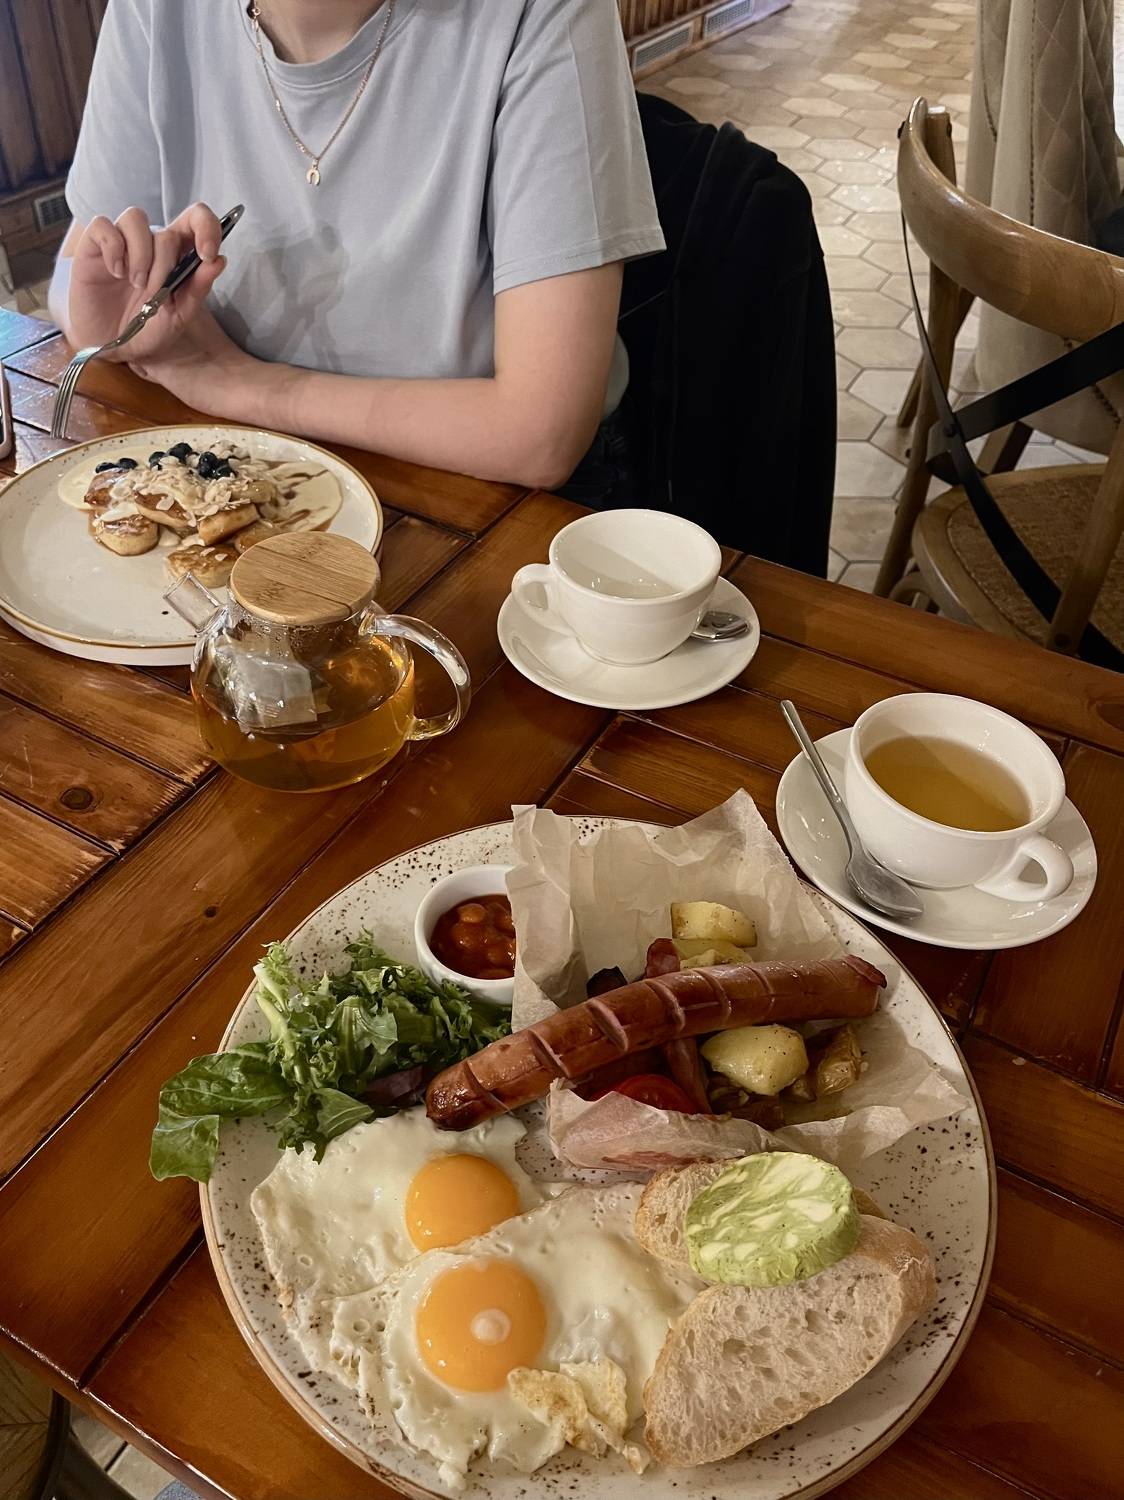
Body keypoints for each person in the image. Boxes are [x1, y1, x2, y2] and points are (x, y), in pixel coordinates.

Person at [49, 0, 664, 492]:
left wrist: (232, 382)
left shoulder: (541, 12)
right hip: (230, 452)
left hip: (482, 488)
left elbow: (540, 435)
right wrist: (108, 326)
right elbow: (79, 267)